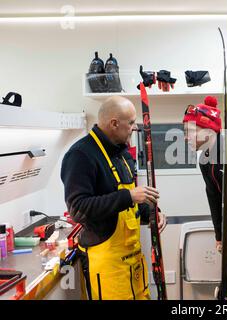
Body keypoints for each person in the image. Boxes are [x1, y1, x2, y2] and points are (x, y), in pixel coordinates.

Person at [61, 96, 166, 300]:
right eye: (131, 123)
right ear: (114, 124)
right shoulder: (81, 155)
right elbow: (78, 208)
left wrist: (153, 214)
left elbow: (130, 204)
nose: (134, 128)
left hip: (133, 263)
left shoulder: (122, 154)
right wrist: (128, 196)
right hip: (107, 265)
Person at [182, 96, 223, 252]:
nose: (186, 137)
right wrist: (219, 236)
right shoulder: (204, 160)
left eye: (191, 131)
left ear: (209, 129)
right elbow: (213, 198)